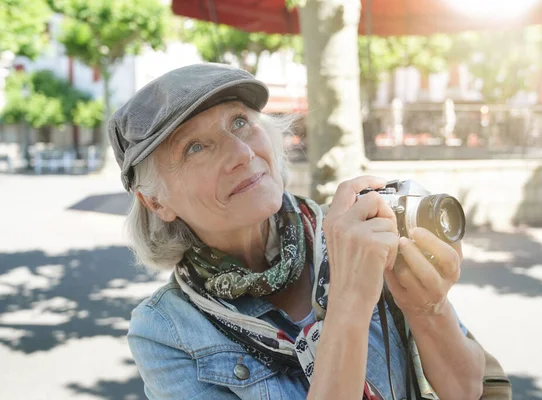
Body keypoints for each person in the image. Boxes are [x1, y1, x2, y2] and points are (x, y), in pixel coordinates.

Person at [108, 63, 485, 400]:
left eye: (239, 121)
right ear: (156, 202)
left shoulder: (357, 230)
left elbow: (465, 390)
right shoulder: (164, 331)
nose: (241, 152)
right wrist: (349, 302)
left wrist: (428, 308)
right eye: (195, 147)